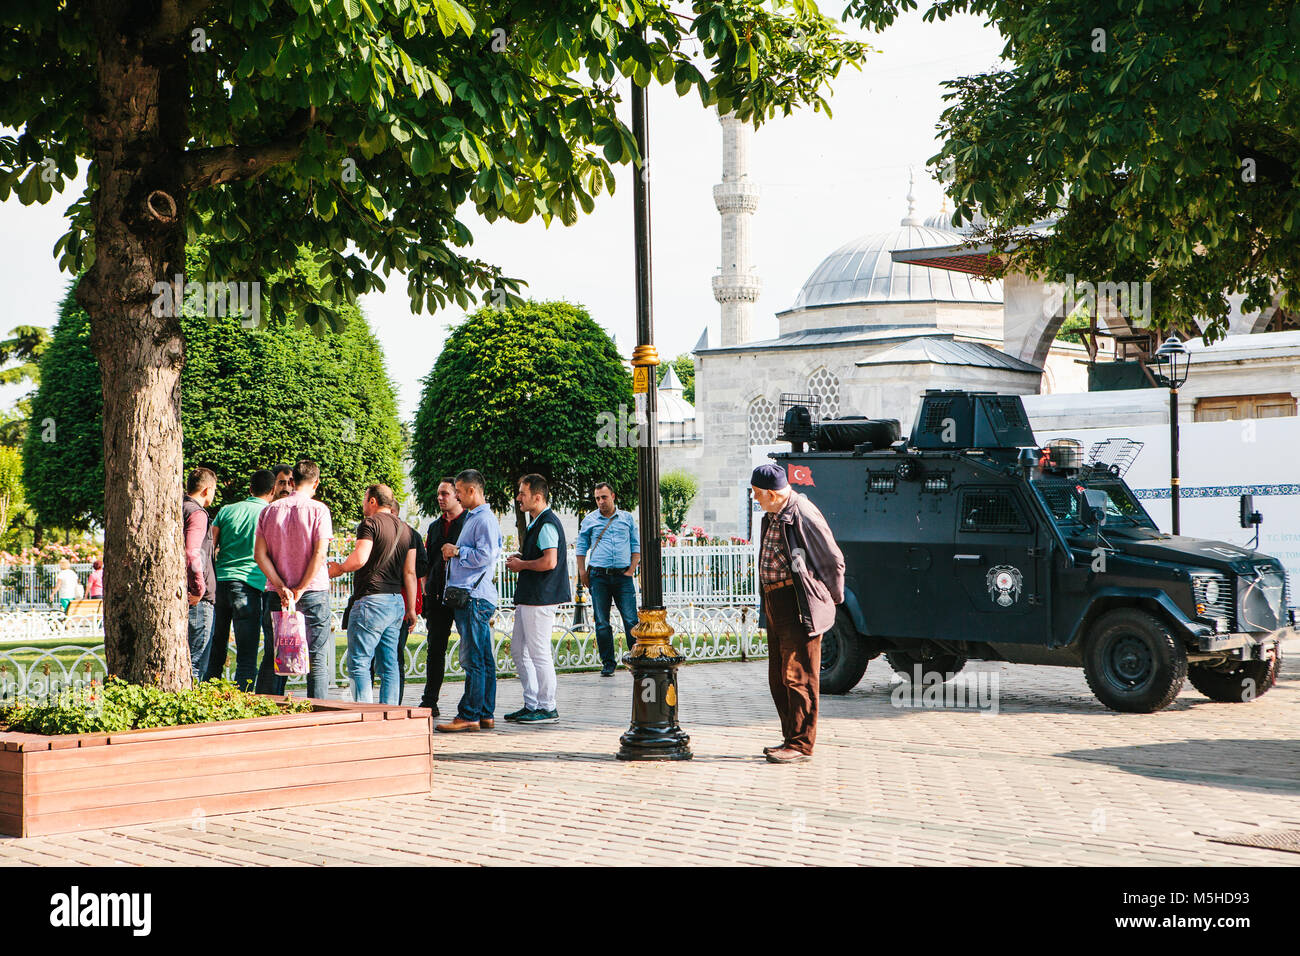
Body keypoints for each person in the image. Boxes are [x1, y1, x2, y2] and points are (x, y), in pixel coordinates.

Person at [751, 463, 845, 765]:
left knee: (799, 675)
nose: (754, 499)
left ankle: (801, 744)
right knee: (779, 676)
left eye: (756, 494)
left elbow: (832, 560)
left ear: (771, 493)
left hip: (797, 600)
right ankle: (790, 737)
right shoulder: (773, 514)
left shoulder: (801, 512)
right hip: (775, 599)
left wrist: (831, 597)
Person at [328, 484, 416, 704]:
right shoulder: (407, 530)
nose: (363, 503)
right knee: (390, 665)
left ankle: (365, 715)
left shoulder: (370, 523)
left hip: (371, 600)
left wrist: (339, 568)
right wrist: (412, 608)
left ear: (373, 501)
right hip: (396, 602)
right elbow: (410, 571)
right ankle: (389, 714)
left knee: (359, 662)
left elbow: (360, 558)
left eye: (365, 499)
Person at [254, 459, 333, 699]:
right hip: (313, 592)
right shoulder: (320, 510)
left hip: (277, 594)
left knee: (272, 655)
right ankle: (317, 717)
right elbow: (320, 554)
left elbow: (259, 555)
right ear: (316, 482)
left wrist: (281, 586)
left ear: (291, 481)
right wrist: (300, 588)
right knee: (317, 658)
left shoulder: (268, 510)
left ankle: (265, 713)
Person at [435, 469, 502, 733]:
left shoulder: (483, 519)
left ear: (472, 491)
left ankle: (470, 714)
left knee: (473, 657)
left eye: (460, 492)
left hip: (473, 597)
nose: (458, 497)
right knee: (483, 657)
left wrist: (457, 550)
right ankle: (485, 712)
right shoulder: (478, 518)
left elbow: (485, 555)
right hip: (475, 596)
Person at [504, 474, 570, 724]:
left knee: (538, 651)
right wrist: (523, 558)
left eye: (523, 493)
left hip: (540, 598)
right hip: (530, 597)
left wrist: (522, 564)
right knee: (519, 650)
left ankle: (547, 706)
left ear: (538, 497)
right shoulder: (537, 523)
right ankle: (532, 703)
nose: (518, 497)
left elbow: (549, 561)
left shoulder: (547, 523)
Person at [204, 469, 275, 689]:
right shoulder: (270, 513)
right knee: (247, 653)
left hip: (221, 585)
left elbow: (210, 545)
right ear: (272, 491)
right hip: (249, 587)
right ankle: (242, 697)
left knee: (216, 648)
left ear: (250, 488)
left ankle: (209, 696)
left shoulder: (227, 510)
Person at [575, 482, 640, 676]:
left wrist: (632, 569)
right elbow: (581, 547)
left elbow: (636, 545)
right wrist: (582, 573)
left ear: (613, 496)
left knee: (631, 619)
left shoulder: (626, 518)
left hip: (622, 576)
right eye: (597, 498)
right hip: (599, 576)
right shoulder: (590, 520)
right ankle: (608, 663)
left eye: (604, 497)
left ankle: (636, 659)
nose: (600, 502)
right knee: (602, 622)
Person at [420, 477, 467, 717]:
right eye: (439, 494)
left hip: (462, 594)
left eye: (445, 493)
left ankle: (472, 703)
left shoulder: (468, 522)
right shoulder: (435, 527)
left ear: (457, 495)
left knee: (469, 648)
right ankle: (430, 700)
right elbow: (427, 562)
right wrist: (426, 589)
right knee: (435, 648)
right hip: (437, 595)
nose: (440, 498)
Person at [183, 467, 219, 682]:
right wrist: (199, 587)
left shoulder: (178, 507)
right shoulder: (197, 513)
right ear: (206, 490)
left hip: (185, 595)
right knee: (196, 664)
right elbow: (192, 551)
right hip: (198, 599)